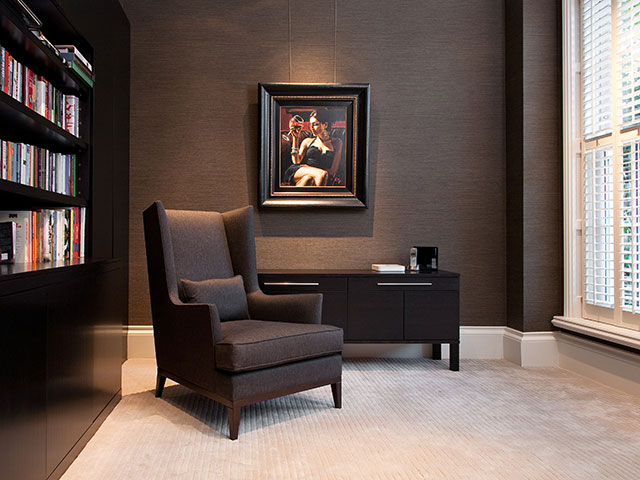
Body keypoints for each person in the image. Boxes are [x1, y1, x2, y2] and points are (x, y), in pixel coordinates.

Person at [283, 108, 343, 186]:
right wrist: (295, 138)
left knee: (308, 179)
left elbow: (332, 171)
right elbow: (296, 162)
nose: (311, 128)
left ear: (325, 125)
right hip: (298, 171)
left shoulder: (337, 143)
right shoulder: (307, 141)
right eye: (311, 124)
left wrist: (311, 169)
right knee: (322, 174)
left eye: (315, 124)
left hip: (315, 175)